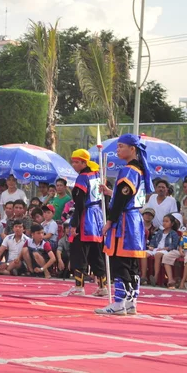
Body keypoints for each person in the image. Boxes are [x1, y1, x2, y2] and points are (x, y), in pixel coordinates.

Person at [96, 134, 154, 315]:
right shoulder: (140, 170)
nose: (117, 150)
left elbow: (122, 201)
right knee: (131, 263)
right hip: (135, 220)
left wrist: (109, 222)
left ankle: (119, 303)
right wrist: (110, 192)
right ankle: (131, 302)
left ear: (132, 149)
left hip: (124, 223)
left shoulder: (129, 170)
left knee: (120, 261)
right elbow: (126, 195)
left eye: (121, 146)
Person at [62, 149, 107, 297]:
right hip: (97, 217)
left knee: (78, 252)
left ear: (84, 162)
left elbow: (79, 204)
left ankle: (79, 287)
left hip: (85, 217)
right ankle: (102, 286)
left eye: (76, 162)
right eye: (73, 162)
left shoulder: (82, 178)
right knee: (96, 253)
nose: (74, 165)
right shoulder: (96, 175)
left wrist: (74, 225)